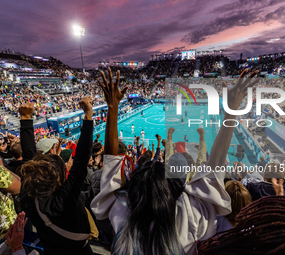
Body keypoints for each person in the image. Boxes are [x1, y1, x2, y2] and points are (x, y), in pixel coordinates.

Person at [91, 68, 257, 254]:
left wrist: (112, 107)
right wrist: (232, 109)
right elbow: (215, 165)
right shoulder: (189, 214)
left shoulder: (123, 212)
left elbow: (111, 163)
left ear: (132, 191)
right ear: (173, 188)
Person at [19, 98, 95, 255]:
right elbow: (81, 161)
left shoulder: (29, 198)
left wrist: (26, 119)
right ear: (59, 179)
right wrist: (25, 119)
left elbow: (29, 159)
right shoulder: (63, 200)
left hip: (51, 250)